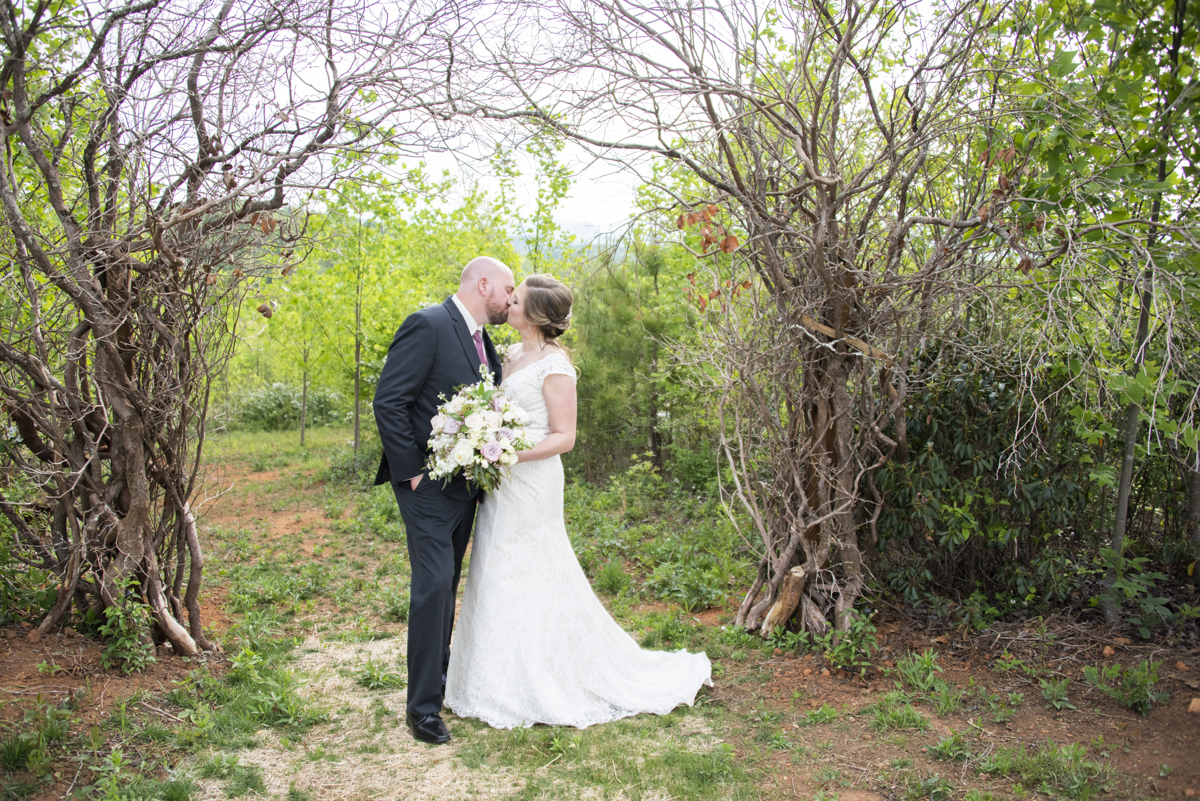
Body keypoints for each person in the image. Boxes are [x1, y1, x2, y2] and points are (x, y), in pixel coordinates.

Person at [445, 274, 712, 730]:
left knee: (531, 566)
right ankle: (493, 675)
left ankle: (545, 674)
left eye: (517, 299)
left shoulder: (556, 366)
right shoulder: (509, 354)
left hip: (531, 481)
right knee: (496, 565)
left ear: (533, 315)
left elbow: (565, 438)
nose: (508, 302)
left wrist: (506, 453)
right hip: (502, 481)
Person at [372, 256, 514, 744]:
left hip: (464, 489)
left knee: (446, 584)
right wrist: (412, 473)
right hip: (427, 487)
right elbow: (389, 400)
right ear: (482, 284)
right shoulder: (429, 324)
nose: (511, 299)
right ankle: (422, 710)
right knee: (433, 588)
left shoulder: (483, 341)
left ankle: (440, 680)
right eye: (507, 289)